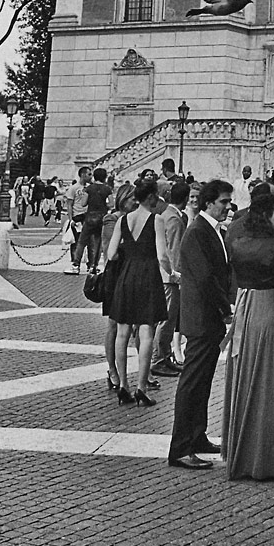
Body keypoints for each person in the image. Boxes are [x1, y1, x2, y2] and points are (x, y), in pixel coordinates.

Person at [222, 189, 274, 480]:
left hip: (246, 310)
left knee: (245, 378)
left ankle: (242, 454)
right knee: (271, 382)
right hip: (269, 310)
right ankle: (269, 458)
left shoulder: (238, 244)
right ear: (267, 215)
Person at [167, 178, 233, 470]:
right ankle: (181, 447)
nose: (228, 207)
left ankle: (197, 436)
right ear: (208, 203)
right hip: (202, 318)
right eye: (223, 202)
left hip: (208, 318)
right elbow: (206, 277)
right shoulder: (197, 231)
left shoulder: (211, 229)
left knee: (203, 380)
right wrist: (225, 308)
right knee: (192, 382)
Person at [104, 172, 171, 406]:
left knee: (122, 332)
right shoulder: (156, 220)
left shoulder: (123, 220)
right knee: (146, 332)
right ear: (151, 197)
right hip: (148, 275)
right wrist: (172, 272)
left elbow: (111, 254)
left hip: (126, 276)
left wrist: (128, 252)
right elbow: (162, 255)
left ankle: (123, 385)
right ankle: (142, 387)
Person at [152, 179, 189, 377]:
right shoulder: (174, 218)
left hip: (164, 274)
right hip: (169, 277)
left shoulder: (166, 215)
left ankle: (164, 356)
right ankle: (159, 358)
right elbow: (175, 250)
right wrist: (178, 275)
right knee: (167, 319)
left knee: (167, 318)